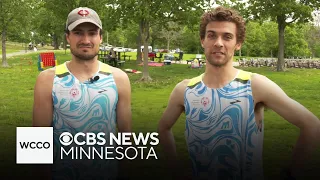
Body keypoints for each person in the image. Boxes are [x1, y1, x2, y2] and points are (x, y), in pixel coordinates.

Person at [158, 6, 320, 180]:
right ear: (202, 40)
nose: (218, 43)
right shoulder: (185, 90)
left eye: (227, 37)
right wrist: (174, 169)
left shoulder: (254, 85)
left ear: (238, 44)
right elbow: (163, 128)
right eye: (212, 35)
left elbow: (311, 125)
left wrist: (292, 173)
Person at [32, 7, 132, 180]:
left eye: (92, 33)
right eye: (78, 32)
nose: (86, 40)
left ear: (100, 37)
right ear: (67, 37)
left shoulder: (119, 79)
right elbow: (36, 141)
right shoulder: (47, 79)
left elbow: (126, 136)